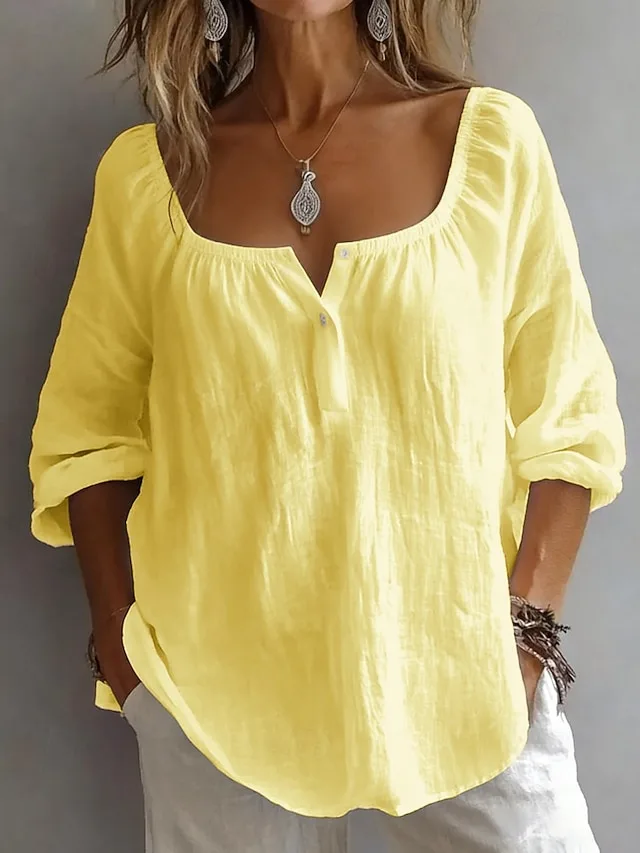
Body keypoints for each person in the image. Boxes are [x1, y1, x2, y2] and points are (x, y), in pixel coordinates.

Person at [29, 0, 626, 851]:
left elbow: (571, 412)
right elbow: (86, 436)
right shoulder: (149, 177)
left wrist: (524, 639)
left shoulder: (490, 145)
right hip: (215, 705)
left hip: (469, 677)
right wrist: (131, 666)